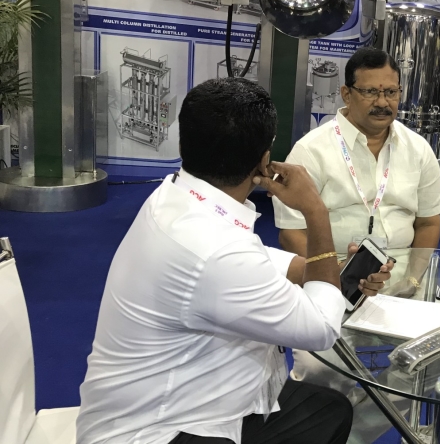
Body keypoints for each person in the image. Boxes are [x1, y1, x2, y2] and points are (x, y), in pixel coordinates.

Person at [76, 78, 393, 444]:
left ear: (182, 143)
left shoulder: (177, 196)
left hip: (195, 398)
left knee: (329, 411)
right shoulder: (216, 249)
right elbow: (321, 329)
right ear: (264, 159)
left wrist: (328, 272)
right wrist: (315, 211)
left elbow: (253, 260)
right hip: (161, 430)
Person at [273, 47, 440, 442]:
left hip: (400, 285)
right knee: (320, 369)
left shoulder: (418, 149)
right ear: (347, 94)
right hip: (330, 283)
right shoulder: (312, 150)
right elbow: (291, 233)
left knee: (432, 358)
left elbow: (428, 222)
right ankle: (321, 426)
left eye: (391, 92)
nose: (383, 102)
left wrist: (413, 281)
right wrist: (331, 278)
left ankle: (351, 435)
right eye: (370, 92)